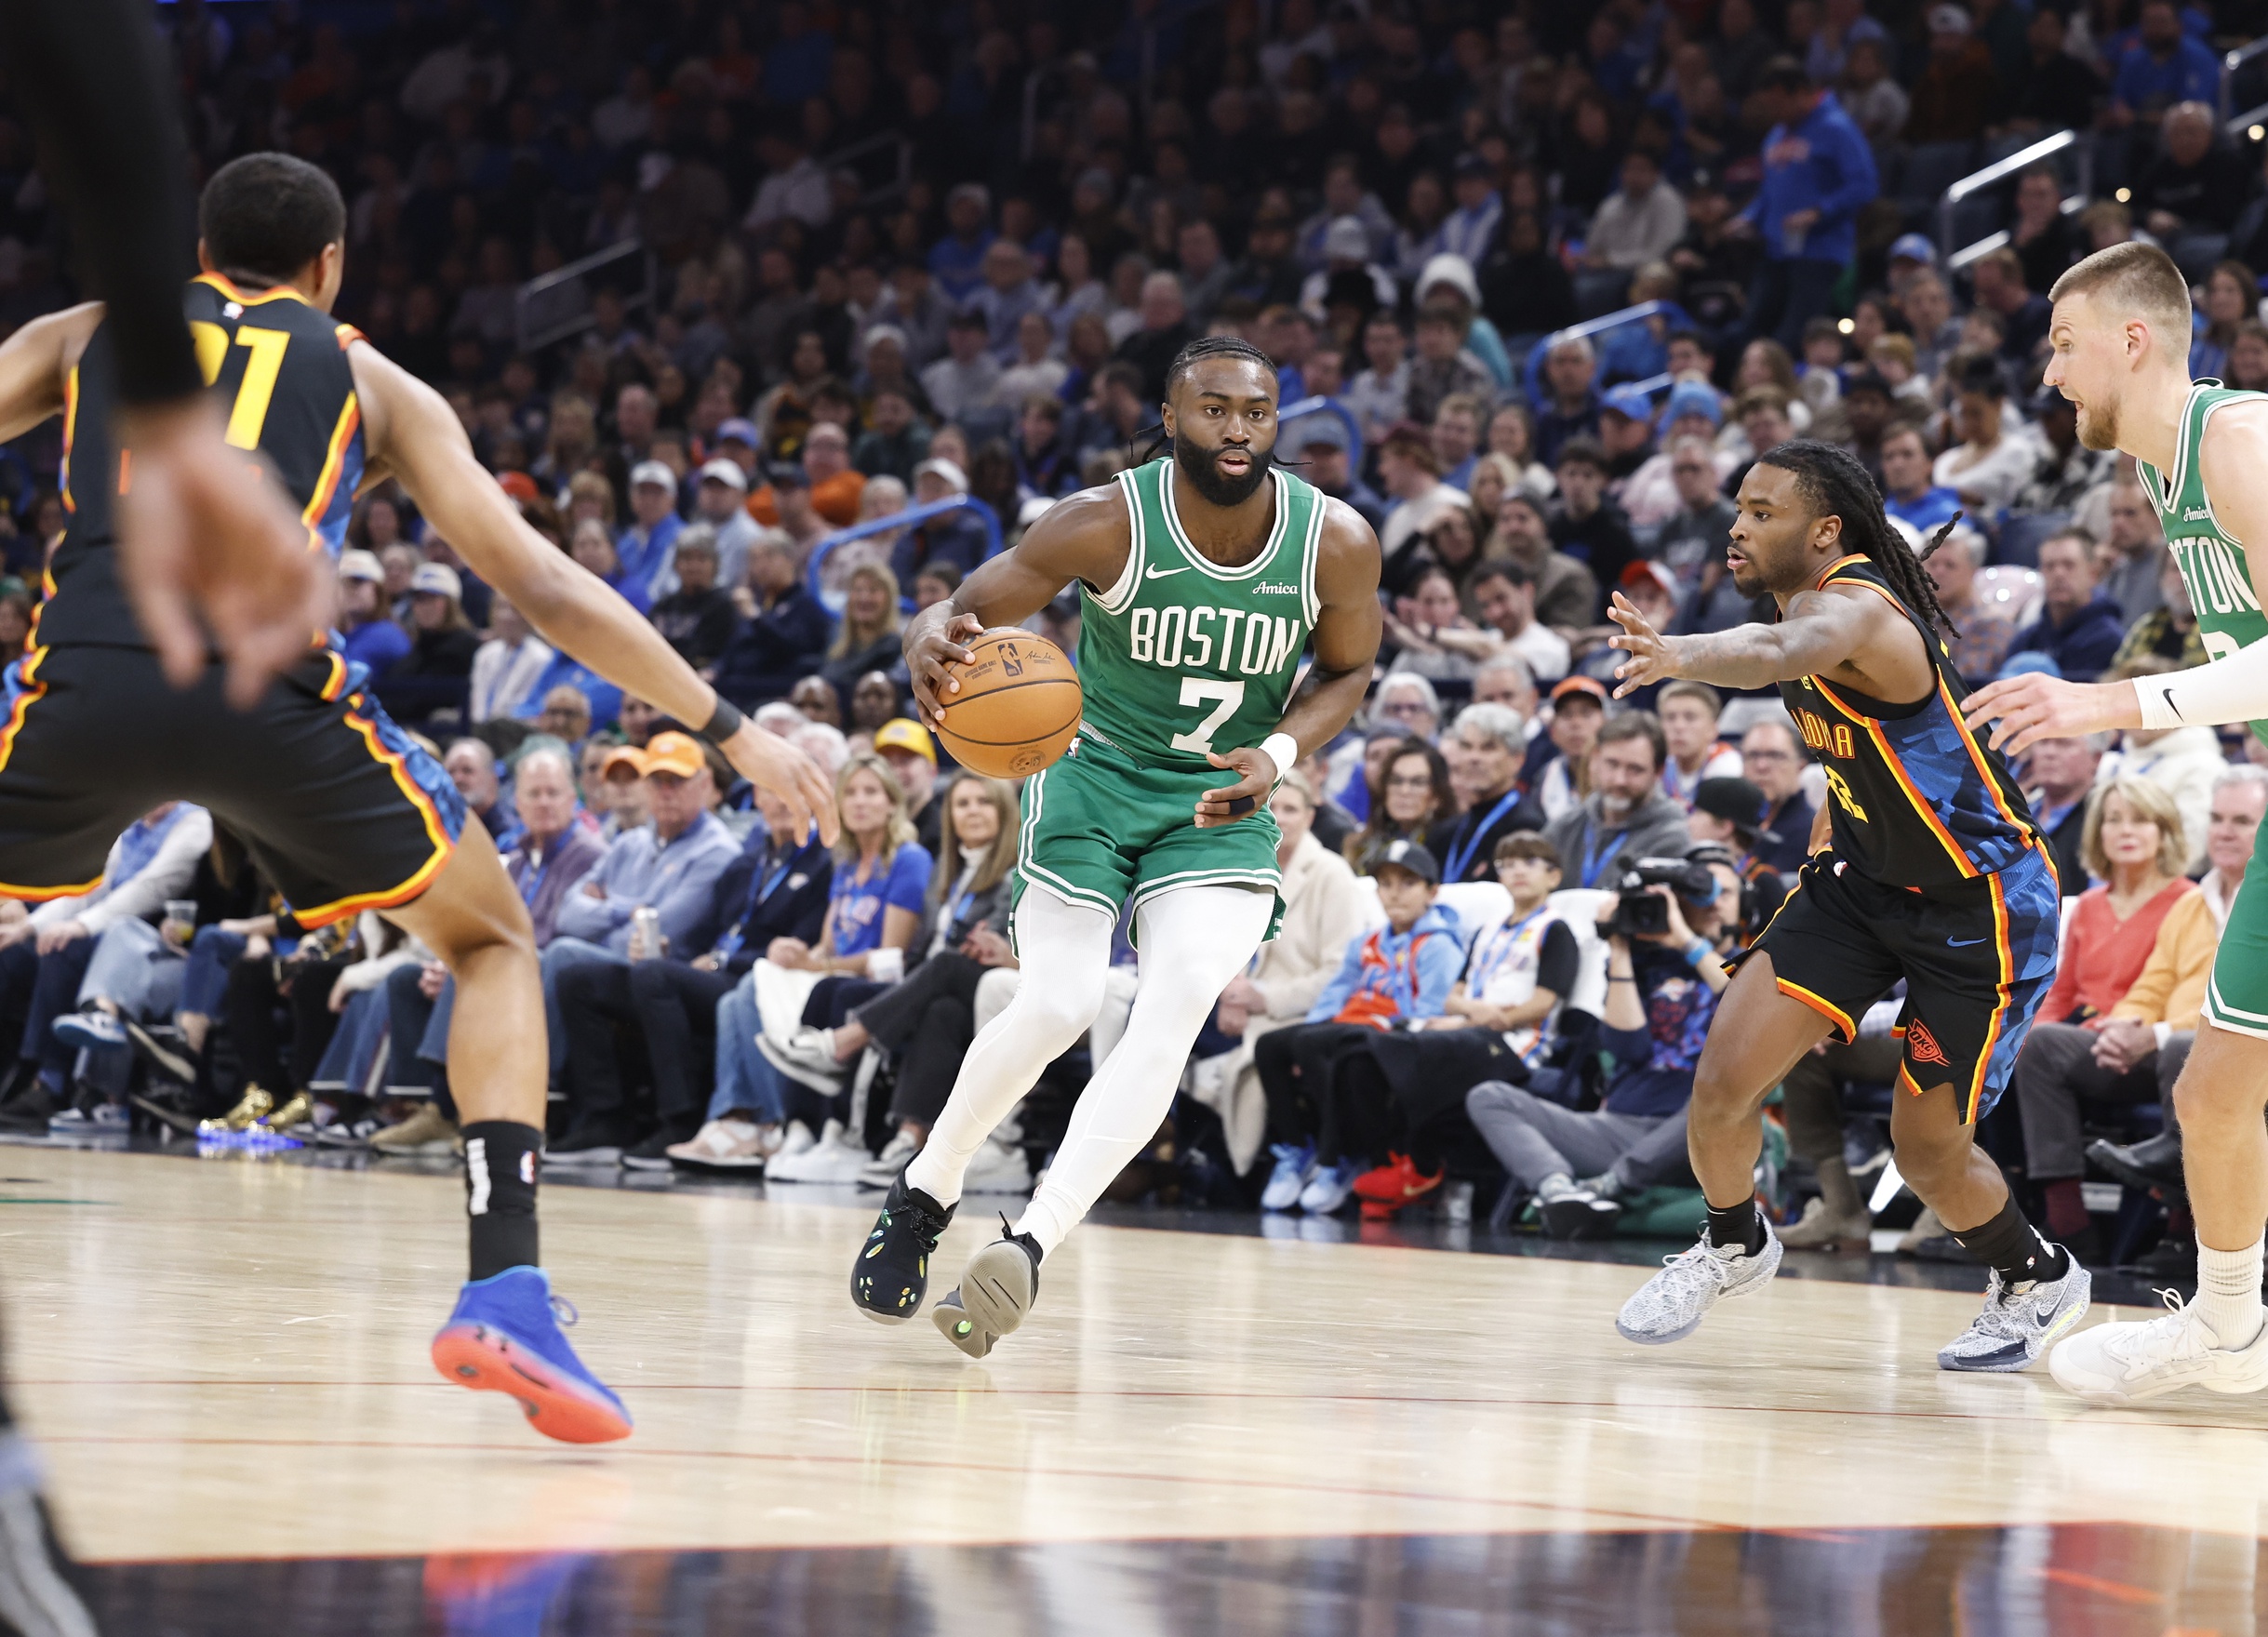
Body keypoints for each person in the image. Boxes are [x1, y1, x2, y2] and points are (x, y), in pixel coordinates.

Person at [0, 153, 836, 1457]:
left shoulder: (92, 330)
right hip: (271, 699)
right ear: (331, 267)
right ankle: (505, 1287)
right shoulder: (373, 381)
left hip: (93, 676)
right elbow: (542, 585)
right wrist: (730, 728)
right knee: (492, 942)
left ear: (199, 253)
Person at [850, 335, 1381, 1356]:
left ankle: (1029, 1244)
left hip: (1219, 798)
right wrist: (924, 635)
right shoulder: (1103, 522)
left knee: (1175, 1000)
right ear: (1172, 419)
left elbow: (1348, 671)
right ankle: (926, 1187)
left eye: (1257, 411)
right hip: (1092, 776)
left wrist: (1278, 753)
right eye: (1215, 409)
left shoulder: (1335, 541)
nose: (1238, 429)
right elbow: (959, 611)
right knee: (1058, 1001)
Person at [1606, 439, 2076, 1373]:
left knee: (1925, 1150)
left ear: (1825, 531)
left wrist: (1676, 653)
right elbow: (1856, 754)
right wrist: (1831, 831)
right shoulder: (1801, 602)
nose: (1738, 527)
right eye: (1737, 509)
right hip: (1861, 883)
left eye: (1762, 512)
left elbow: (1776, 651)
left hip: (1979, 905)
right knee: (1721, 1083)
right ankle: (1733, 1242)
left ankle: (2036, 1276)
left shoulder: (1860, 612)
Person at [1467, 847, 1738, 1237]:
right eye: (1700, 896)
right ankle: (1559, 1191)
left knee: (1713, 1101)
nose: (1712, 904)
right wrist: (1619, 949)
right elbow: (1628, 1048)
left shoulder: (1751, 966)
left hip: (1698, 1138)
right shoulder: (1646, 965)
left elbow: (1743, 1006)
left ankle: (1607, 1187)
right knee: (1489, 1097)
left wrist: (1686, 940)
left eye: (1724, 893)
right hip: (1618, 1129)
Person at [2010, 778, 2198, 1255]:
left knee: (2183, 1051)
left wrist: (2138, 1032)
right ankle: (2067, 1221)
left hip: (2160, 1045)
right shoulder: (2089, 906)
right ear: (2097, 832)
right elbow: (2060, 995)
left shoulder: (2188, 901)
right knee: (2032, 1045)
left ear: (2165, 832)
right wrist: (2020, 1041)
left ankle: (2183, 1227)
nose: (2125, 830)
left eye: (2140, 820)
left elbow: (2182, 992)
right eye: (2113, 820)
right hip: (2096, 1043)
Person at [1252, 840, 1465, 1215]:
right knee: (1271, 1045)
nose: (1394, 893)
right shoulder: (1367, 942)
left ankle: (1339, 1155)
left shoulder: (1439, 945)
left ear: (1432, 892)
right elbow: (1335, 993)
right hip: (1349, 1024)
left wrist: (1314, 1038)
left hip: (1391, 1033)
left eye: (1408, 883)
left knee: (1314, 1043)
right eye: (1386, 884)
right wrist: (1309, 1031)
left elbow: (1431, 1008)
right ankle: (1298, 1147)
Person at [1541, 712, 1693, 892]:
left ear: (1658, 771)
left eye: (1635, 769)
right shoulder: (1564, 828)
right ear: (1595, 758)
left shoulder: (1671, 838)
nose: (1620, 780)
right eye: (1612, 764)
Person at [1429, 704, 1546, 883]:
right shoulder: (1445, 832)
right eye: (1466, 746)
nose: (1474, 757)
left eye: (1488, 748)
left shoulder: (1528, 828)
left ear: (1517, 759)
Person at [2007, 530, 2127, 683]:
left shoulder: (2110, 641)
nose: (2058, 574)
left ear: (2093, 573)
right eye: (2049, 566)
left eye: (2069, 565)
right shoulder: (2027, 639)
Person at [1656, 682, 1744, 813]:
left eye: (1690, 717)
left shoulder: (1727, 762)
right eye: (1670, 717)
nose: (1678, 726)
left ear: (1713, 728)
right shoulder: (1657, 764)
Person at [1880, 426, 1961, 539]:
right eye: (1889, 457)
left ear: (1930, 463)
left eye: (1908, 454)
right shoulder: (1880, 513)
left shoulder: (1949, 514)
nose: (1897, 465)